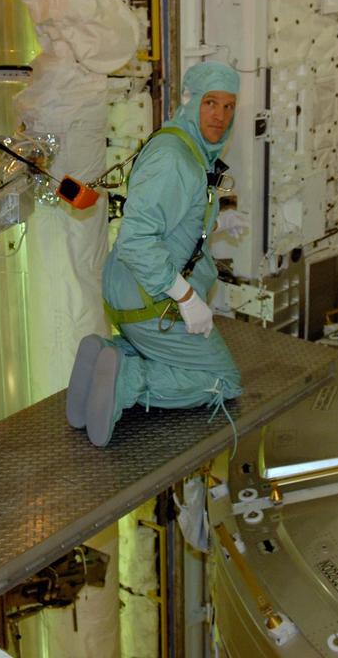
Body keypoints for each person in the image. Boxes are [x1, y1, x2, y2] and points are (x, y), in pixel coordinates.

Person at [67, 61, 244, 447]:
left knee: (175, 353)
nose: (220, 115)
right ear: (191, 100)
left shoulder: (183, 146)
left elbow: (170, 222)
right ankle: (129, 380)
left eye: (229, 106)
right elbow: (136, 240)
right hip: (152, 298)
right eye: (211, 103)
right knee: (222, 380)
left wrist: (217, 222)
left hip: (131, 292)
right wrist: (185, 297)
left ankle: (107, 355)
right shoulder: (176, 160)